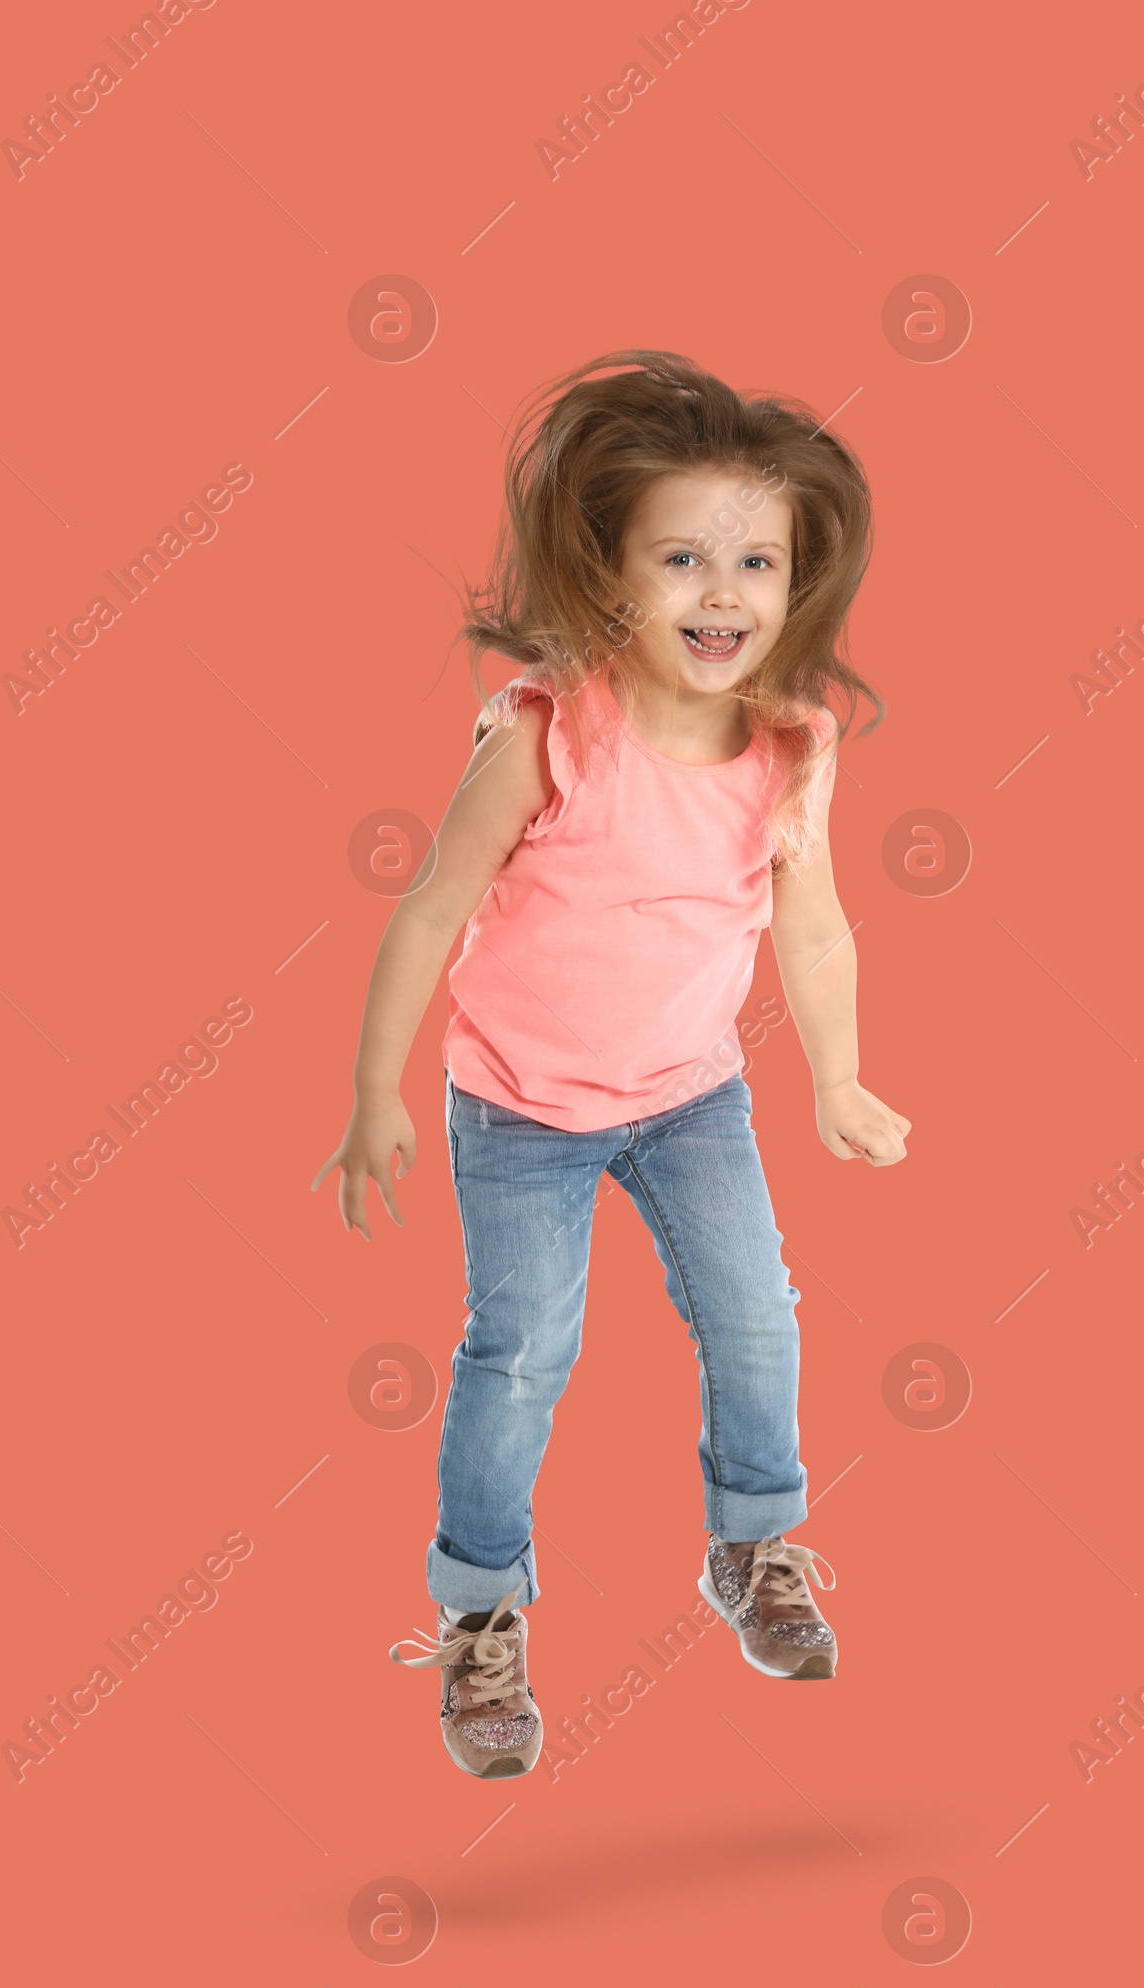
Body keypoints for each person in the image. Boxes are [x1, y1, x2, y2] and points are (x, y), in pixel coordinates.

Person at [313, 350, 910, 1779]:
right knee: (524, 1352)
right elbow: (431, 908)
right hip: (521, 1103)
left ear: (799, 580)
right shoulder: (550, 736)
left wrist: (835, 1078)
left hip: (691, 1094)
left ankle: (756, 1544)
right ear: (610, 574)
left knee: (760, 1317)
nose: (723, 591)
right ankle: (480, 1614)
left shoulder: (787, 750)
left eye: (756, 560)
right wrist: (373, 1094)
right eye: (684, 557)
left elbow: (813, 930)